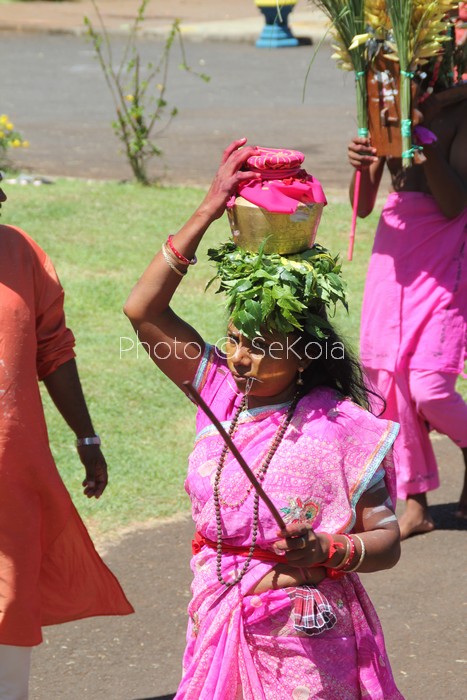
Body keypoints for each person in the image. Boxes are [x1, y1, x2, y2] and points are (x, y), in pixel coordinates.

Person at [124, 139, 403, 699]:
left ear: (306, 352)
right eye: (234, 340)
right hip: (218, 617)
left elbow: (388, 539)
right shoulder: (222, 394)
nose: (240, 358)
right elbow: (144, 310)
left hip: (305, 641)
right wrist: (208, 207)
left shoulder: (346, 427)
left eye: (261, 345)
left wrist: (328, 550)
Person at [0, 175, 133, 700]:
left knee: (9, 612)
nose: (3, 199)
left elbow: (52, 347)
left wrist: (87, 437)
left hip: (12, 483)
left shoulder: (20, 252)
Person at [347, 66, 467, 539]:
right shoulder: (384, 104)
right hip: (394, 250)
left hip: (445, 249)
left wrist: (423, 141)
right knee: (386, 379)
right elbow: (362, 203)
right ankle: (413, 501)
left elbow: (456, 204)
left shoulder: (460, 110)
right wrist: (361, 164)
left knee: (430, 387)